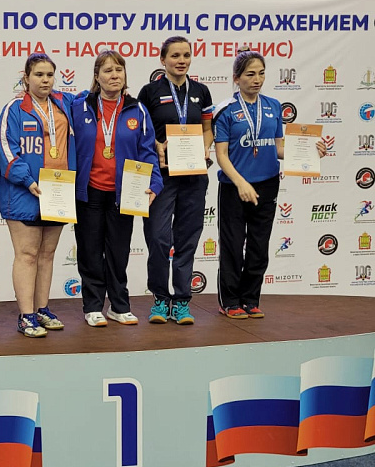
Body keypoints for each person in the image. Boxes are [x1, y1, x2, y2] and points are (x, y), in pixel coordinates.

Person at [213, 50, 325, 318]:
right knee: (232, 246)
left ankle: (250, 299)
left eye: (261, 74)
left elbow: (278, 147)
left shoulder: (273, 106)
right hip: (235, 186)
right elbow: (221, 155)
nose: (257, 80)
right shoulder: (226, 110)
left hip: (267, 184)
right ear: (236, 78)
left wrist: (310, 152)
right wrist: (240, 183)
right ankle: (230, 301)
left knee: (259, 246)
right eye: (250, 74)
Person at [72, 50, 162, 327]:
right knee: (90, 251)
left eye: (119, 70)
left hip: (125, 193)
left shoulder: (138, 109)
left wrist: (154, 183)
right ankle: (93, 306)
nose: (114, 75)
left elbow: (147, 151)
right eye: (108, 70)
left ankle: (119, 306)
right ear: (96, 76)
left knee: (119, 252)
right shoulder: (79, 106)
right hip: (89, 191)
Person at [0, 52, 76, 338]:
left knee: (47, 254)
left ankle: (42, 309)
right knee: (27, 254)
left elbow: (96, 102)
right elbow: (6, 147)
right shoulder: (14, 108)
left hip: (58, 189)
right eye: (39, 75)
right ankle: (26, 315)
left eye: (49, 75)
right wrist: (27, 180)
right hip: (24, 191)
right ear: (26, 78)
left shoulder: (65, 103)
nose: (45, 80)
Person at [138, 36, 214, 326]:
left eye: (186, 55)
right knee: (158, 237)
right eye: (175, 56)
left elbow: (207, 128)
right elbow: (141, 131)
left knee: (187, 237)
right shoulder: (150, 92)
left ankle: (181, 301)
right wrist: (156, 145)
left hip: (193, 175)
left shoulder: (201, 91)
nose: (181, 61)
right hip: (161, 176)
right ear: (163, 60)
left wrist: (205, 147)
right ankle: (160, 298)